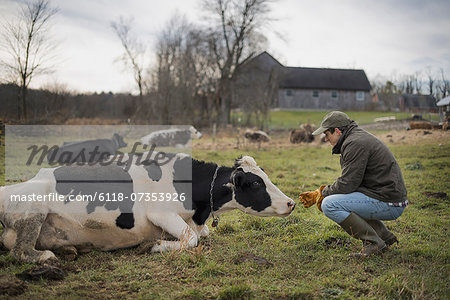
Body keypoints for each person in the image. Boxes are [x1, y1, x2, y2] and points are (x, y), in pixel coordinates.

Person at [299, 111, 407, 257]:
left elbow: (347, 184)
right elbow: (352, 183)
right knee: (344, 200)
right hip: (387, 196)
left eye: (326, 134)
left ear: (337, 131)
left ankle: (374, 244)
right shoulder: (354, 138)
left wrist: (322, 193)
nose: (325, 139)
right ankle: (383, 236)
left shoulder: (354, 143)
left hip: (390, 203)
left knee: (329, 204)